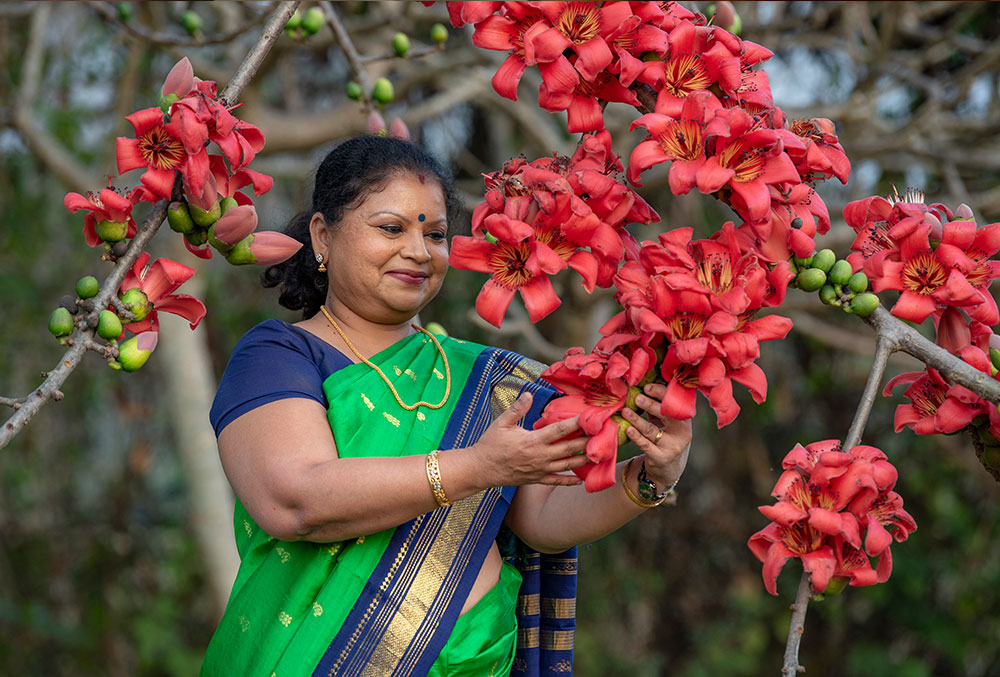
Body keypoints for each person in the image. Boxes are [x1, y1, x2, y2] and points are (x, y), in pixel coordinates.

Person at [201, 135, 691, 677]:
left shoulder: (488, 378)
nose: (418, 251)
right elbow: (293, 500)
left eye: (435, 234)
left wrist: (650, 476)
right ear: (323, 235)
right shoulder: (278, 354)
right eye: (392, 228)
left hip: (472, 661)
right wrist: (478, 467)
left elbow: (542, 517)